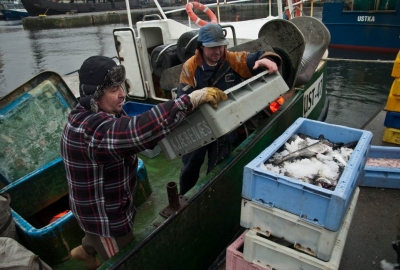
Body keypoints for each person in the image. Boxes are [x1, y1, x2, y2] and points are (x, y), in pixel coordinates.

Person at [60, 55, 227, 269]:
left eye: (121, 86)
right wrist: (189, 100)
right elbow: (134, 131)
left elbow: (135, 127)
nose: (122, 94)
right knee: (127, 259)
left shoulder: (94, 112)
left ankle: (85, 250)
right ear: (94, 97)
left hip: (95, 201)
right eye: (113, 91)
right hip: (104, 217)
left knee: (93, 234)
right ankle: (96, 250)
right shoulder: (91, 130)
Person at [177, 23, 282, 195]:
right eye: (212, 47)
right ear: (201, 46)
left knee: (219, 162)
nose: (217, 51)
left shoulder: (231, 59)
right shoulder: (190, 67)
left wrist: (266, 59)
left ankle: (213, 194)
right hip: (199, 122)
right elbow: (182, 99)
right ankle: (184, 197)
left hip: (224, 121)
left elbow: (252, 58)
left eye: (221, 46)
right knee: (191, 164)